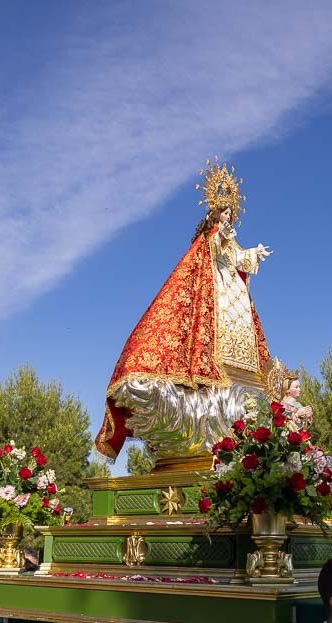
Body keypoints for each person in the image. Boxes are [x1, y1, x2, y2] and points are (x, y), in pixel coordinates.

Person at [94, 161, 274, 461]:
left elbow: (239, 258)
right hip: (214, 294)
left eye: (231, 212)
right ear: (215, 213)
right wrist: (222, 235)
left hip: (233, 301)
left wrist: (253, 253)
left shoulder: (230, 242)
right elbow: (216, 246)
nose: (228, 217)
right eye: (224, 212)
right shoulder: (211, 239)